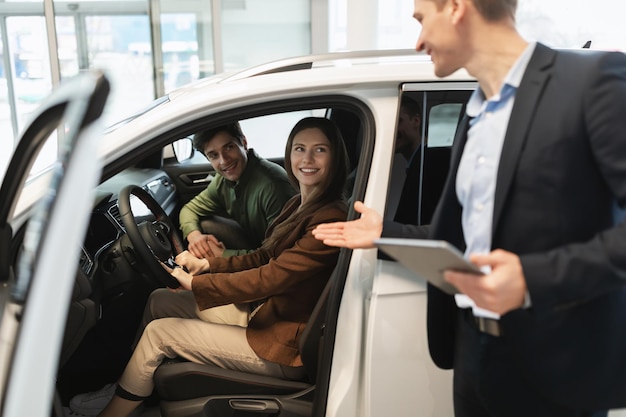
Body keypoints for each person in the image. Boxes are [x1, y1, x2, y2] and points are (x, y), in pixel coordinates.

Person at [314, 0, 626, 416]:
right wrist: (383, 234)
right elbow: (463, 237)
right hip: (473, 357)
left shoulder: (591, 82)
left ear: (458, 8)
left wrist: (532, 279)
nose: (419, 40)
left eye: (422, 20)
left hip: (558, 369)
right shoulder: (475, 111)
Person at [68, 117, 349, 417]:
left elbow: (270, 278)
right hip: (265, 314)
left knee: (159, 334)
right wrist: (207, 265)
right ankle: (129, 386)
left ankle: (113, 411)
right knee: (159, 300)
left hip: (280, 345)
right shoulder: (301, 205)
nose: (306, 159)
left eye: (319, 150)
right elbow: (263, 257)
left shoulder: (328, 218)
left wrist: (198, 284)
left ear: (336, 157)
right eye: (299, 148)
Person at [179, 122, 296, 258]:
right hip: (258, 246)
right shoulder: (222, 181)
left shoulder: (273, 186)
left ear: (244, 143)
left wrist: (222, 256)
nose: (224, 161)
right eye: (214, 155)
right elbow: (189, 209)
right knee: (205, 225)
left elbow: (281, 254)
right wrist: (194, 236)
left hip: (277, 259)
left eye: (229, 147)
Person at [392, 95, 451, 225]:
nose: (393, 129)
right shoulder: (420, 161)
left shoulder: (436, 160)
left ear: (416, 121)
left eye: (399, 121)